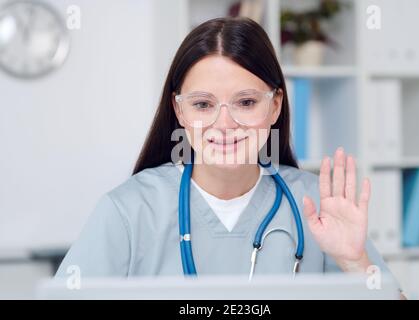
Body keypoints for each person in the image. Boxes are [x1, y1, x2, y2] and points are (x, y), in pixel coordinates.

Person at [55, 17, 400, 292]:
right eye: (203, 104)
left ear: (275, 105)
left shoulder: (316, 207)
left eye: (246, 102)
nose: (225, 124)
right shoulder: (129, 211)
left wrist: (355, 262)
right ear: (180, 111)